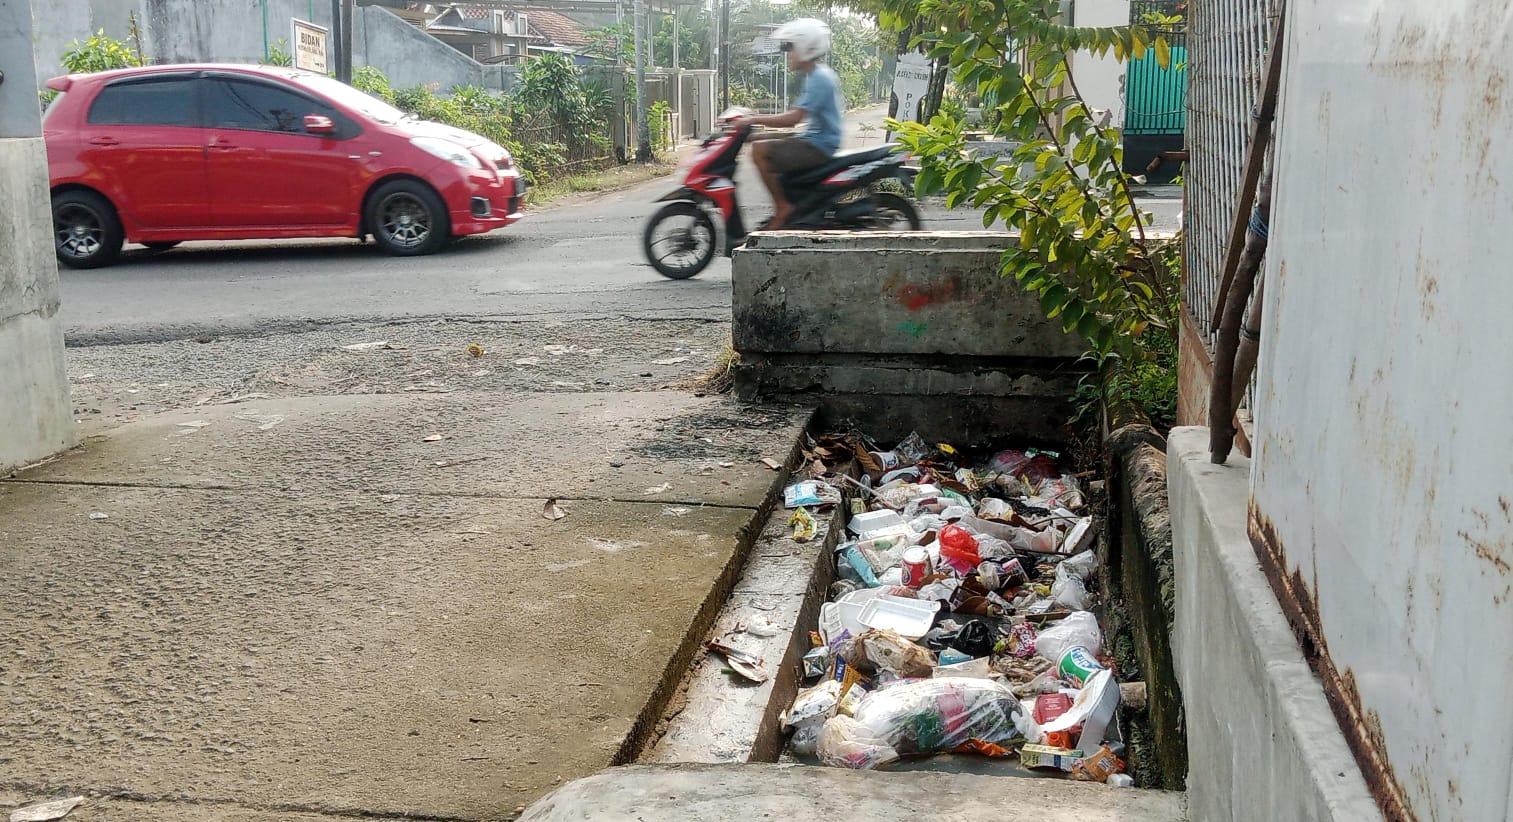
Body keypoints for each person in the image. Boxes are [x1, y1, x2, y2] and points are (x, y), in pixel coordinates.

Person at [733, 18, 843, 230]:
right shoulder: (816, 75)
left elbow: (793, 119)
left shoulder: (819, 78)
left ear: (805, 47)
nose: (789, 54)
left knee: (759, 150)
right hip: (816, 139)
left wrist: (753, 119)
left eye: (792, 48)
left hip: (820, 145)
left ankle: (783, 207)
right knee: (759, 140)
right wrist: (755, 131)